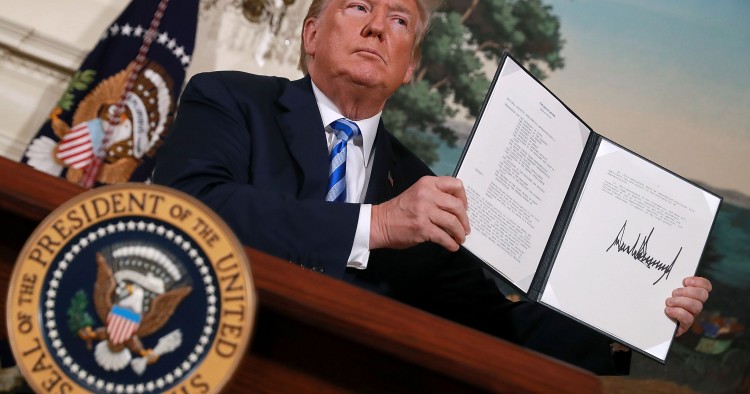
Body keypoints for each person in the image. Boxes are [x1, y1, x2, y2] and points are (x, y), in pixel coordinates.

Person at [153, 0, 711, 375]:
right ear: (312, 35)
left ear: (412, 67)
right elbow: (191, 209)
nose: (376, 27)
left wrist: (639, 310)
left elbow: (496, 323)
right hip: (210, 355)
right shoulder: (230, 99)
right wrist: (379, 224)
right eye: (357, 6)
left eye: (399, 20)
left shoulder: (421, 186)